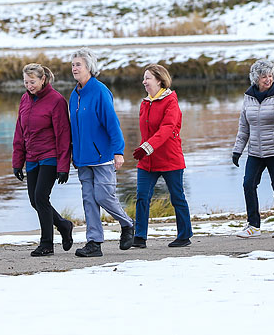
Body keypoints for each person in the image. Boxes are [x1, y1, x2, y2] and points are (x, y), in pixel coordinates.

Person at [68, 48, 135, 257]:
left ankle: (127, 224)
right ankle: (94, 243)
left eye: (78, 64)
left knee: (103, 196)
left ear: (89, 67)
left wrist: (118, 151)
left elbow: (112, 124)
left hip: (102, 156)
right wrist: (73, 153)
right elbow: (74, 128)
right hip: (82, 158)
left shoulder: (100, 91)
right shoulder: (74, 94)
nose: (74, 68)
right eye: (72, 65)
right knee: (88, 200)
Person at [12, 63, 75, 256]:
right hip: (32, 156)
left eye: (32, 82)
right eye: (26, 82)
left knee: (41, 197)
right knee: (34, 200)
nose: (29, 86)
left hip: (50, 156)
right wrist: (17, 162)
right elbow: (19, 132)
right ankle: (64, 225)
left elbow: (63, 135)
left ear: (43, 80)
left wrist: (63, 165)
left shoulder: (56, 101)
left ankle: (47, 244)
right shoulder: (25, 99)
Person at [131, 64, 193, 248]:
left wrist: (147, 147)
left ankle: (184, 235)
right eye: (144, 78)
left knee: (177, 197)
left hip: (169, 158)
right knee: (142, 196)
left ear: (159, 80)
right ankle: (139, 237)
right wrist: (145, 149)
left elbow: (167, 129)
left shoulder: (171, 102)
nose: (144, 82)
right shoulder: (145, 103)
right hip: (147, 160)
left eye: (148, 78)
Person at [232, 59, 274, 238]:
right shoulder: (248, 97)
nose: (268, 79)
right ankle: (253, 225)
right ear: (255, 79)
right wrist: (237, 150)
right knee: (248, 184)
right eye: (263, 76)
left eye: (270, 75)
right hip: (255, 152)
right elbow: (244, 127)